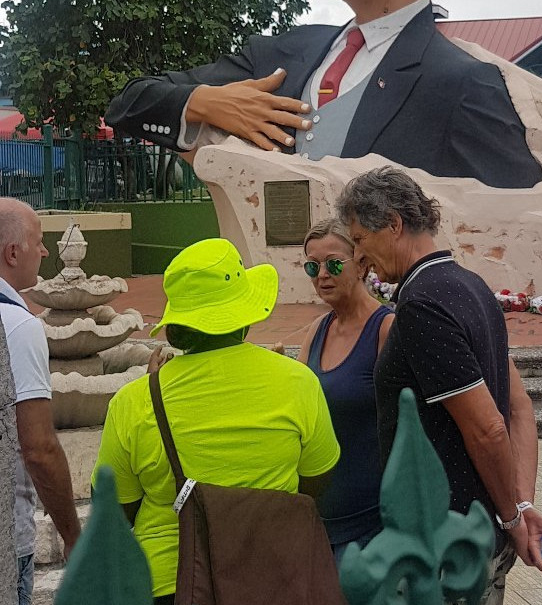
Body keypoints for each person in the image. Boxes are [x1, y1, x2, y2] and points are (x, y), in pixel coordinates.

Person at [105, 0, 542, 190]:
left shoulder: (462, 84)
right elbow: (129, 103)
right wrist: (205, 102)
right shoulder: (282, 54)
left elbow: (517, 228)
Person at [335, 167, 542, 604]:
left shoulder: (422, 303)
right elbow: (519, 407)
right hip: (476, 532)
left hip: (446, 544)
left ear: (394, 224)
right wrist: (518, 507)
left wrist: (514, 517)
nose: (358, 256)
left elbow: (489, 427)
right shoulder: (470, 284)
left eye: (360, 239)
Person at [91, 238, 340, 604]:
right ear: (244, 314)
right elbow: (316, 479)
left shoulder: (136, 401)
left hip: (170, 583)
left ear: (178, 323)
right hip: (274, 575)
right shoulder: (298, 382)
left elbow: (113, 510)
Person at [297, 219, 394, 563]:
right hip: (319, 520)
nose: (322, 275)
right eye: (313, 266)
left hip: (371, 523)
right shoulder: (317, 330)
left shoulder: (386, 329)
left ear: (362, 264)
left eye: (334, 264)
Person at [0, 199, 80, 605]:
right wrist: (73, 534)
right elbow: (39, 449)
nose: (45, 252)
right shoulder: (17, 326)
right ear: (13, 253)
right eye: (38, 241)